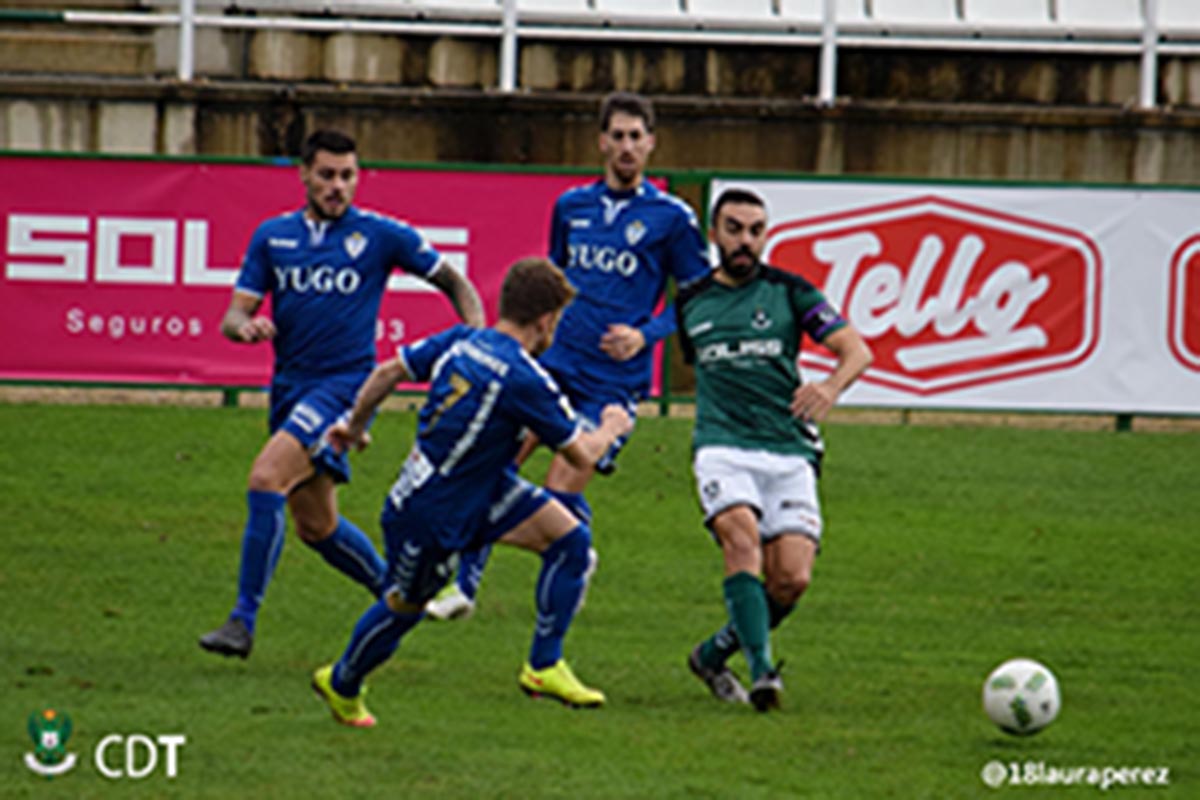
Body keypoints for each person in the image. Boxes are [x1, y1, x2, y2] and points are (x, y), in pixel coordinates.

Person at [198, 129, 485, 659]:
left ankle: (241, 622)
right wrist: (246, 328)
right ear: (304, 174)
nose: (337, 186)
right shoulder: (272, 237)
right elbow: (234, 315)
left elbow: (456, 283)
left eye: (347, 175)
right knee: (317, 525)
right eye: (327, 175)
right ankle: (400, 599)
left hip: (344, 388)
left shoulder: (381, 235)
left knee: (265, 479)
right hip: (289, 388)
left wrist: (478, 345)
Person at [425, 91, 712, 621]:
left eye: (636, 136)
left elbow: (699, 295)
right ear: (602, 142)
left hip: (611, 384)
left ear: (651, 143)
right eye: (617, 136)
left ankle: (571, 562)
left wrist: (646, 335)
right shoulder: (571, 206)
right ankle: (464, 586)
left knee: (560, 484)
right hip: (554, 367)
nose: (626, 147)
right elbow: (553, 281)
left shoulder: (671, 217)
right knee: (496, 459)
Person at [310, 258, 633, 726]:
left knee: (570, 540)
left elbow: (386, 372)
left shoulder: (463, 338)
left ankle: (543, 666)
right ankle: (342, 683)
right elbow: (582, 455)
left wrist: (353, 427)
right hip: (432, 511)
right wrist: (610, 427)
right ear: (546, 320)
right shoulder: (524, 377)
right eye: (557, 322)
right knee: (405, 607)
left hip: (481, 486)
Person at [676, 188, 872, 712]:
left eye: (756, 230)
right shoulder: (691, 301)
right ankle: (763, 673)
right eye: (735, 229)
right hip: (721, 447)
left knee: (791, 579)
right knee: (741, 543)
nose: (746, 241)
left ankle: (712, 655)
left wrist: (829, 388)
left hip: (788, 448)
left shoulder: (791, 292)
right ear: (714, 234)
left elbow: (857, 350)